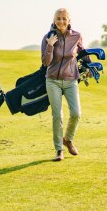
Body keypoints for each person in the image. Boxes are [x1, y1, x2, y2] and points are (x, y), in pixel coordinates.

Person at [41, 8, 89, 161]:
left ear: (69, 21)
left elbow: (83, 54)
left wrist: (89, 67)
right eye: (58, 18)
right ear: (54, 21)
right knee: (57, 116)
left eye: (64, 18)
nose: (61, 21)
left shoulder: (77, 36)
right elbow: (45, 62)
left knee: (76, 113)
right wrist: (50, 45)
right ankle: (59, 150)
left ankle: (68, 139)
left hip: (70, 79)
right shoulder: (48, 37)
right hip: (52, 80)